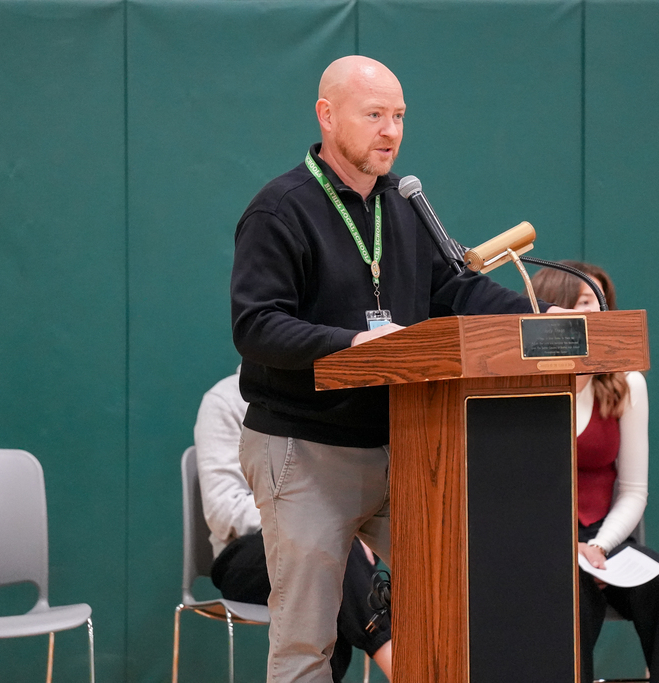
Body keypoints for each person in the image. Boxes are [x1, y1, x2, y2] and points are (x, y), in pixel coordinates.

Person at [230, 55, 562, 682]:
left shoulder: (404, 206)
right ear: (328, 117)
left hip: (403, 446)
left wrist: (539, 319)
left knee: (450, 604)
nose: (391, 131)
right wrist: (350, 344)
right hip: (304, 447)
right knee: (308, 640)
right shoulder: (279, 210)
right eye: (375, 115)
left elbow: (459, 293)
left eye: (400, 117)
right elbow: (255, 325)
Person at [531, 261, 659, 683]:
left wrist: (602, 547)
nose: (596, 316)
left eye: (601, 306)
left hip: (601, 539)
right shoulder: (519, 383)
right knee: (574, 592)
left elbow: (633, 491)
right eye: (584, 304)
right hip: (539, 541)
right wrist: (569, 549)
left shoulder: (626, 382)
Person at [194, 368, 392, 682]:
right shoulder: (224, 400)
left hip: (328, 550)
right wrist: (305, 511)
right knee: (323, 537)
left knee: (328, 552)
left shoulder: (326, 401)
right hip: (245, 557)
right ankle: (396, 656)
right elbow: (223, 508)